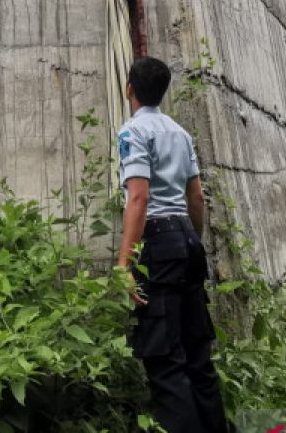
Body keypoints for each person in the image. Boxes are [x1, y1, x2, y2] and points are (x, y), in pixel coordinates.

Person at [116, 56, 230, 433]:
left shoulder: (132, 132)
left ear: (130, 88)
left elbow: (139, 199)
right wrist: (191, 241)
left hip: (158, 244)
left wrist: (124, 265)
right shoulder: (180, 133)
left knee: (166, 364)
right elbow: (196, 197)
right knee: (198, 357)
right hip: (187, 237)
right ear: (163, 91)